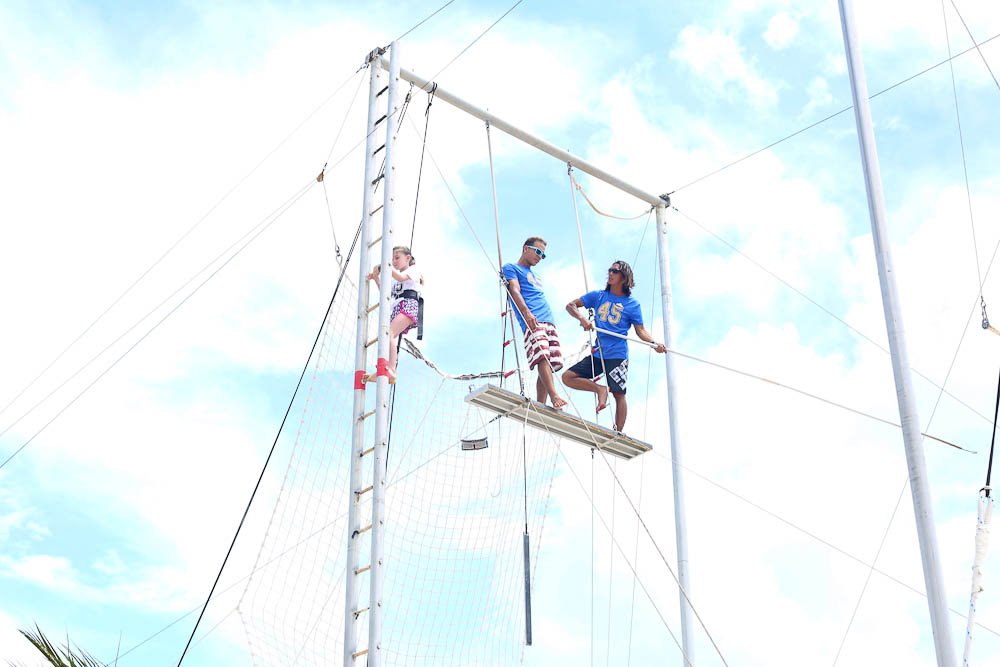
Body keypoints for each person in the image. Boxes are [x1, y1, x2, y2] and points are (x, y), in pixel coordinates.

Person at [563, 260, 666, 432]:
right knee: (567, 377)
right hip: (598, 353)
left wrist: (655, 344)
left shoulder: (632, 305)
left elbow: (640, 331)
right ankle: (599, 389)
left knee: (619, 394)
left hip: (617, 354)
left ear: (624, 277)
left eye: (615, 271)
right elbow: (570, 305)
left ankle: (618, 432)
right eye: (610, 270)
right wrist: (583, 319)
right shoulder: (598, 296)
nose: (610, 273)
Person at [502, 237, 567, 410]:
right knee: (542, 356)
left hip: (549, 320)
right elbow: (514, 290)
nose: (540, 257)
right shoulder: (511, 268)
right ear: (526, 249)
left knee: (550, 362)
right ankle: (554, 396)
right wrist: (526, 313)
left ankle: (541, 403)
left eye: (543, 255)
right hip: (532, 318)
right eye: (538, 252)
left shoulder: (536, 276)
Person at [367, 245, 423, 383]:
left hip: (408, 305)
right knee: (387, 337)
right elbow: (386, 293)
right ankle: (386, 368)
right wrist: (376, 278)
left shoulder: (413, 270)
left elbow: (401, 277)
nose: (395, 261)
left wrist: (385, 266)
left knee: (389, 334)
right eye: (393, 259)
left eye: (397, 258)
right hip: (398, 307)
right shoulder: (394, 279)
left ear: (407, 258)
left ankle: (391, 369)